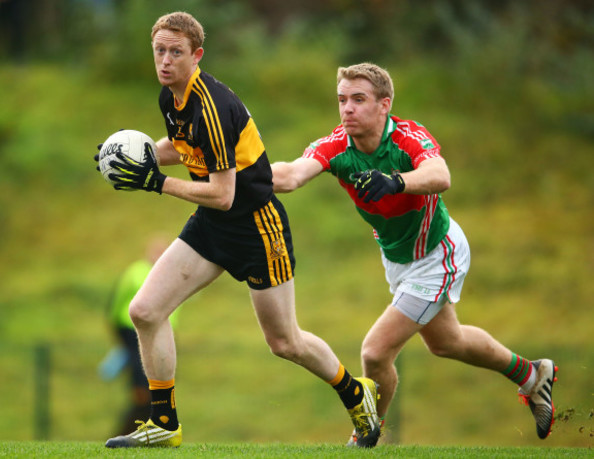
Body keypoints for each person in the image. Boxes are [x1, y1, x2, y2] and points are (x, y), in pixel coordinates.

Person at [95, 12, 381, 449]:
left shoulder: (212, 106)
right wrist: (134, 155)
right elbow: (182, 145)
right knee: (145, 311)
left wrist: (155, 182)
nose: (166, 60)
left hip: (256, 228)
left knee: (285, 342)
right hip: (212, 225)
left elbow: (224, 193)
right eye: (160, 50)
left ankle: (354, 391)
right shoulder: (171, 97)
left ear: (197, 56)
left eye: (177, 52)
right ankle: (165, 423)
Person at [271, 62, 557, 445]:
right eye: (342, 100)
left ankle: (368, 437)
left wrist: (396, 181)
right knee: (446, 342)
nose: (347, 109)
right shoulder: (337, 145)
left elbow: (441, 175)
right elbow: (289, 175)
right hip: (400, 259)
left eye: (358, 99)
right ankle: (532, 374)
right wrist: (233, 170)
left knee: (374, 352)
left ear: (384, 105)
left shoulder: (406, 136)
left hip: (438, 255)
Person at [99, 237, 178, 437]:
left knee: (154, 384)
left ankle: (151, 425)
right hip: (131, 330)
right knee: (141, 385)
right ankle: (137, 428)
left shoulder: (175, 275)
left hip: (161, 332)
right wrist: (119, 334)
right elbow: (117, 302)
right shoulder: (135, 272)